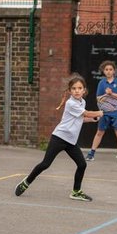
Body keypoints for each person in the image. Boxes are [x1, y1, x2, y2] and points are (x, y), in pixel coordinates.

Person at [15, 74, 103, 202]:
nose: (77, 91)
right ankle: (26, 182)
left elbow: (80, 119)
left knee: (82, 164)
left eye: (79, 88)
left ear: (84, 90)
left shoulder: (82, 102)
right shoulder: (70, 103)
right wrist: (99, 113)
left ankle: (76, 191)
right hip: (59, 138)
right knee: (45, 164)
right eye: (73, 88)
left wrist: (92, 119)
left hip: (71, 141)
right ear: (69, 91)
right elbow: (86, 113)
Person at [85, 60, 117, 163]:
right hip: (104, 111)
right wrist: (105, 96)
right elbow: (98, 98)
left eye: (110, 69)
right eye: (106, 70)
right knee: (100, 132)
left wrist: (111, 94)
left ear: (114, 71)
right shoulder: (101, 83)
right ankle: (91, 154)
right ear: (103, 71)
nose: (109, 71)